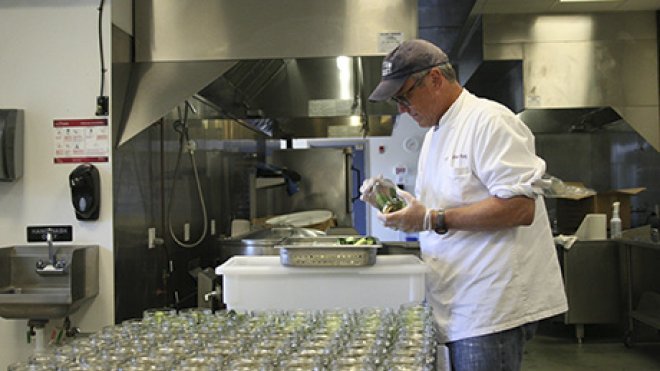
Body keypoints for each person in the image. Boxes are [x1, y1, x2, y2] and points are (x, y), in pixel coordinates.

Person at [361, 39, 568, 371]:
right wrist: (397, 202)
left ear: (435, 79)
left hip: (491, 307)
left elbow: (519, 208)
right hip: (457, 300)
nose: (401, 108)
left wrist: (430, 218)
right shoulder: (435, 134)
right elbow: (446, 205)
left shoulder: (489, 121)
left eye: (404, 96)